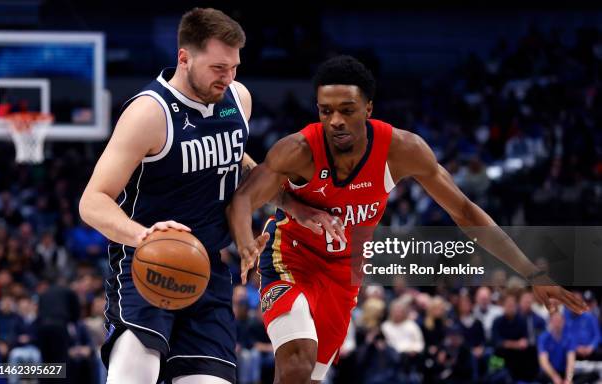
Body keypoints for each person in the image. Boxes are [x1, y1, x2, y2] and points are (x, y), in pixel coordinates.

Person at [226, 55, 588, 383]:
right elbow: (244, 197)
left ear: (369, 108)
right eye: (325, 111)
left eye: (347, 110)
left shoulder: (402, 150)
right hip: (290, 258)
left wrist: (531, 272)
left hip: (343, 274)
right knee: (296, 364)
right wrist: (245, 242)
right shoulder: (299, 150)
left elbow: (464, 212)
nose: (335, 120)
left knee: (309, 378)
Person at [79, 8, 333, 384]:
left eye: (234, 67)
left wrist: (294, 205)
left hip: (208, 268)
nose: (228, 77)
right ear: (184, 57)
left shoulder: (238, 99)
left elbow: (239, 164)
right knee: (136, 372)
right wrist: (143, 236)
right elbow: (92, 201)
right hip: (147, 262)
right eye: (218, 68)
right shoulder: (149, 112)